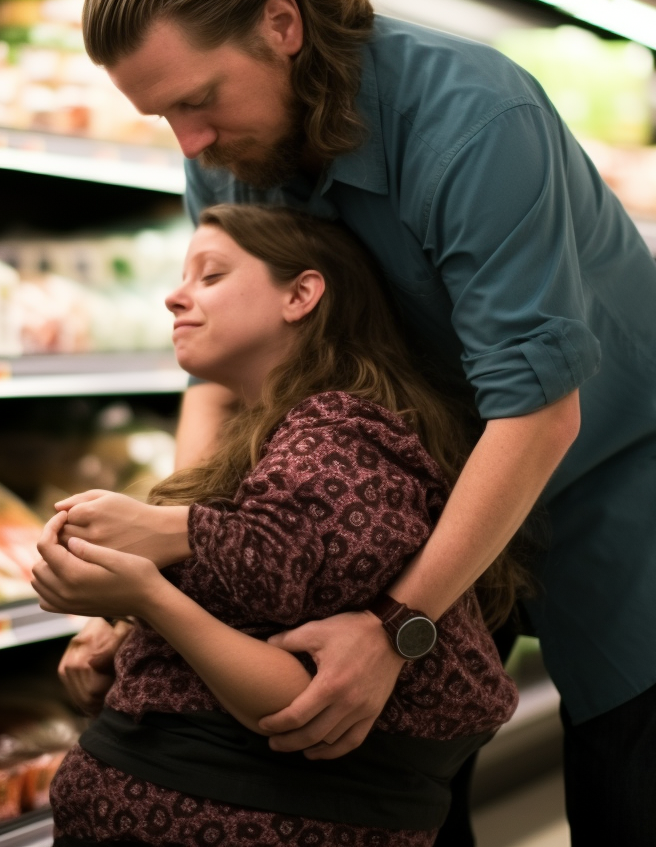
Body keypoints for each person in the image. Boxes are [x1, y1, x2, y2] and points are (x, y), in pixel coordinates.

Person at [61, 0, 656, 846]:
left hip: (601, 473)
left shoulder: (475, 119)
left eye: (201, 99)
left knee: (631, 792)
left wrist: (398, 624)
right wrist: (164, 570)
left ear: (280, 25)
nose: (190, 142)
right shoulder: (227, 160)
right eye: (163, 114)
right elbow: (223, 381)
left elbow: (537, 414)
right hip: (402, 494)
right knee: (389, 800)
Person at [35, 203, 519, 846]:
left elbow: (277, 570)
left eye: (210, 277)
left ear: (301, 294)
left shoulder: (342, 432)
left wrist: (150, 571)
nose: (175, 298)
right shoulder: (270, 431)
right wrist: (129, 613)